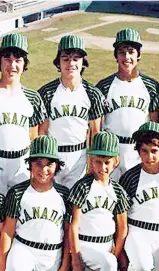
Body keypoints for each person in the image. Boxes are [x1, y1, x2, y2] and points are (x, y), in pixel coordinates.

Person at [0, 33, 47, 195]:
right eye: (7, 59)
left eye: (18, 60)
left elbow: (33, 138)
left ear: (24, 64)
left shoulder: (33, 97)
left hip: (21, 164)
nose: (12, 65)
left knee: (19, 211)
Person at [0, 135, 72, 271]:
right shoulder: (17, 192)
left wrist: (65, 265)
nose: (43, 169)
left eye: (49, 164)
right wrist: (1, 267)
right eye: (38, 164)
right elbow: (7, 232)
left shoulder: (64, 194)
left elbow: (68, 233)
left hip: (51, 254)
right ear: (29, 164)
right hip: (23, 247)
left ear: (57, 166)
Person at [96, 28, 159, 180]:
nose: (126, 57)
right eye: (121, 52)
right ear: (116, 56)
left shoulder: (151, 86)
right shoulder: (104, 86)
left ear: (139, 55)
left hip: (139, 151)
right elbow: (98, 125)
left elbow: (154, 124)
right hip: (111, 150)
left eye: (131, 51)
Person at [38, 34, 103, 188]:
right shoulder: (47, 92)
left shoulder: (92, 93)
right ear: (58, 63)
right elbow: (42, 131)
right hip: (52, 156)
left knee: (75, 203)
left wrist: (91, 162)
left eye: (76, 59)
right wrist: (43, 161)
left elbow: (95, 132)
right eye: (65, 59)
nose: (71, 63)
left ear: (83, 62)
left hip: (79, 157)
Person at [119, 122, 159, 271]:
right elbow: (119, 216)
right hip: (137, 231)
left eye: (154, 151)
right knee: (141, 269)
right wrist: (121, 253)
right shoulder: (130, 177)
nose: (149, 156)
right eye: (144, 151)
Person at [68, 131, 129, 271]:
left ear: (116, 161)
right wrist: (75, 261)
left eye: (107, 162)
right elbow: (73, 226)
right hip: (85, 245)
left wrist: (116, 253)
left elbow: (123, 228)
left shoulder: (118, 191)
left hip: (107, 245)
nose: (102, 167)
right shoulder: (82, 187)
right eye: (98, 161)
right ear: (90, 160)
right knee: (107, 263)